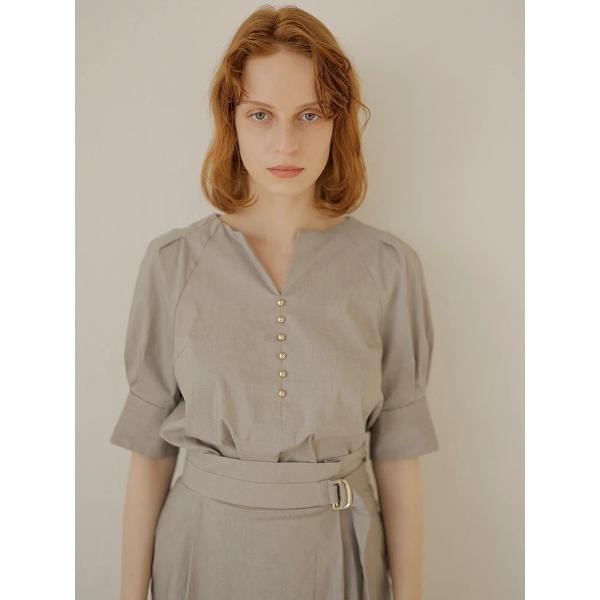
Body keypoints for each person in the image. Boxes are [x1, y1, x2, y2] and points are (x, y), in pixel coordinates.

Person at [110, 5, 439, 600]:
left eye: (310, 114)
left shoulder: (389, 267)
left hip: (338, 556)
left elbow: (398, 455)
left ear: (338, 122)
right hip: (202, 554)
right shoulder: (173, 264)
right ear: (231, 120)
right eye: (261, 114)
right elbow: (149, 457)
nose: (286, 141)